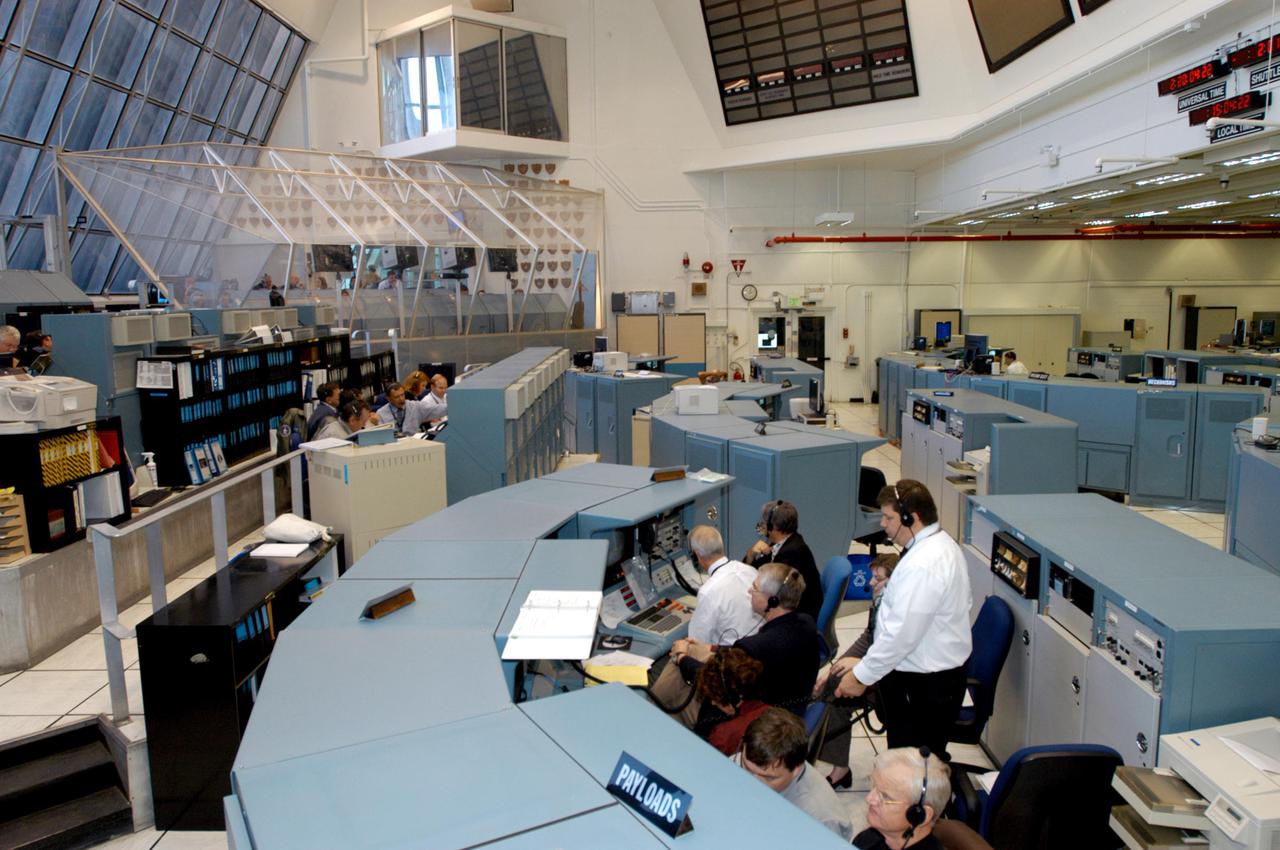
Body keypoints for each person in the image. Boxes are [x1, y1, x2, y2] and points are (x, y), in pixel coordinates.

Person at [833, 480, 972, 759]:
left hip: (924, 686)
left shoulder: (924, 564)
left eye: (889, 517)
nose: (882, 523)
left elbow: (901, 636)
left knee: (911, 766)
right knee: (911, 763)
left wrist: (861, 676)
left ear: (912, 518)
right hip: (924, 675)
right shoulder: (936, 546)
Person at [648, 525, 761, 726]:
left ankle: (653, 707)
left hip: (728, 666)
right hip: (751, 659)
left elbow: (696, 642)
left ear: (698, 556)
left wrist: (681, 652)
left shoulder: (709, 590)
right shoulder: (750, 571)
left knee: (680, 652)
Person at [674, 563, 819, 714]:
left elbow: (717, 685)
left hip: (759, 722)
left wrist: (681, 657)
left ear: (772, 601)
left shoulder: (755, 647)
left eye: (755, 588)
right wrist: (712, 648)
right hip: (791, 709)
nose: (750, 590)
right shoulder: (807, 622)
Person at [814, 552, 899, 788]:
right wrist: (840, 664)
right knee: (832, 682)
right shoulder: (882, 601)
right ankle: (837, 766)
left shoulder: (897, 612)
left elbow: (885, 652)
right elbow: (868, 637)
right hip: (876, 670)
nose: (871, 583)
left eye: (878, 579)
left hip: (890, 680)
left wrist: (852, 670)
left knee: (835, 694)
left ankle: (838, 769)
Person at [733, 708, 853, 841]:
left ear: (797, 768)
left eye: (769, 778)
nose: (753, 782)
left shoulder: (822, 821)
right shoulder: (748, 760)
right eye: (747, 769)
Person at [853, 747, 951, 850]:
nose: (869, 799)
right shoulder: (869, 837)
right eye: (874, 787)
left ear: (920, 814)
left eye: (885, 796)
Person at [743, 500, 822, 621]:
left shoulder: (791, 554)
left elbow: (772, 592)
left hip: (799, 617)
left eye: (764, 523)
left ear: (772, 527)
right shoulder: (782, 543)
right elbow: (754, 571)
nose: (762, 526)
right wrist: (750, 555)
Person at [694, 647, 768, 755]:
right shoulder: (773, 711)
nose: (713, 703)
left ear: (733, 701)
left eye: (716, 699)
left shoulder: (721, 737)